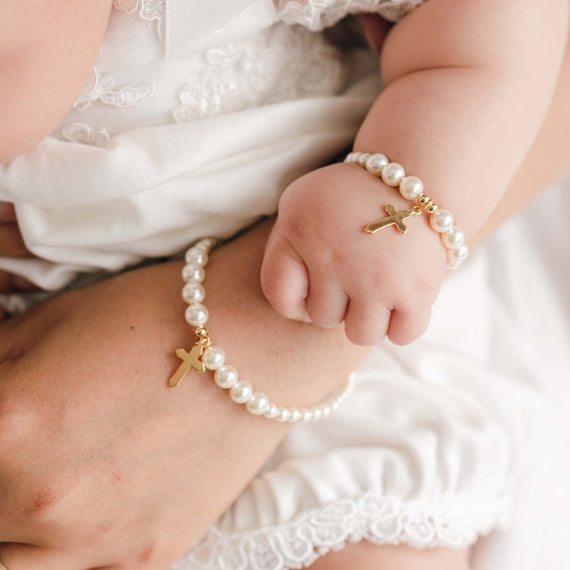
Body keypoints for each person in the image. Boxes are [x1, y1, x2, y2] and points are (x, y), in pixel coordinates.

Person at [0, 1, 568, 569]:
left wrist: (397, 192)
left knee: (370, 545)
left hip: (339, 280)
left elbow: (507, 22)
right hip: (42, 335)